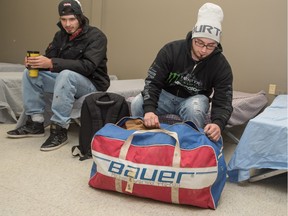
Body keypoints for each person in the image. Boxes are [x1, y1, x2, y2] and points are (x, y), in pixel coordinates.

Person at [7, 0, 110, 151]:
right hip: (66, 79)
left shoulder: (97, 37)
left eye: (72, 19)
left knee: (66, 74)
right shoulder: (60, 36)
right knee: (30, 73)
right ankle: (35, 123)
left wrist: (51, 63)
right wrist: (36, 62)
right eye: (63, 19)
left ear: (80, 17)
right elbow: (50, 58)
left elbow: (88, 67)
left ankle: (60, 129)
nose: (67, 24)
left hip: (92, 84)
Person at [131, 3, 233, 142]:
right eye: (199, 43)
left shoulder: (221, 65)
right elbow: (153, 82)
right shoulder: (171, 50)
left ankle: (190, 146)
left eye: (210, 46)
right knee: (137, 102)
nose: (204, 50)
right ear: (193, 38)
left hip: (193, 99)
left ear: (217, 44)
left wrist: (218, 123)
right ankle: (141, 141)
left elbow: (224, 100)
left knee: (195, 108)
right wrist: (149, 109)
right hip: (165, 96)